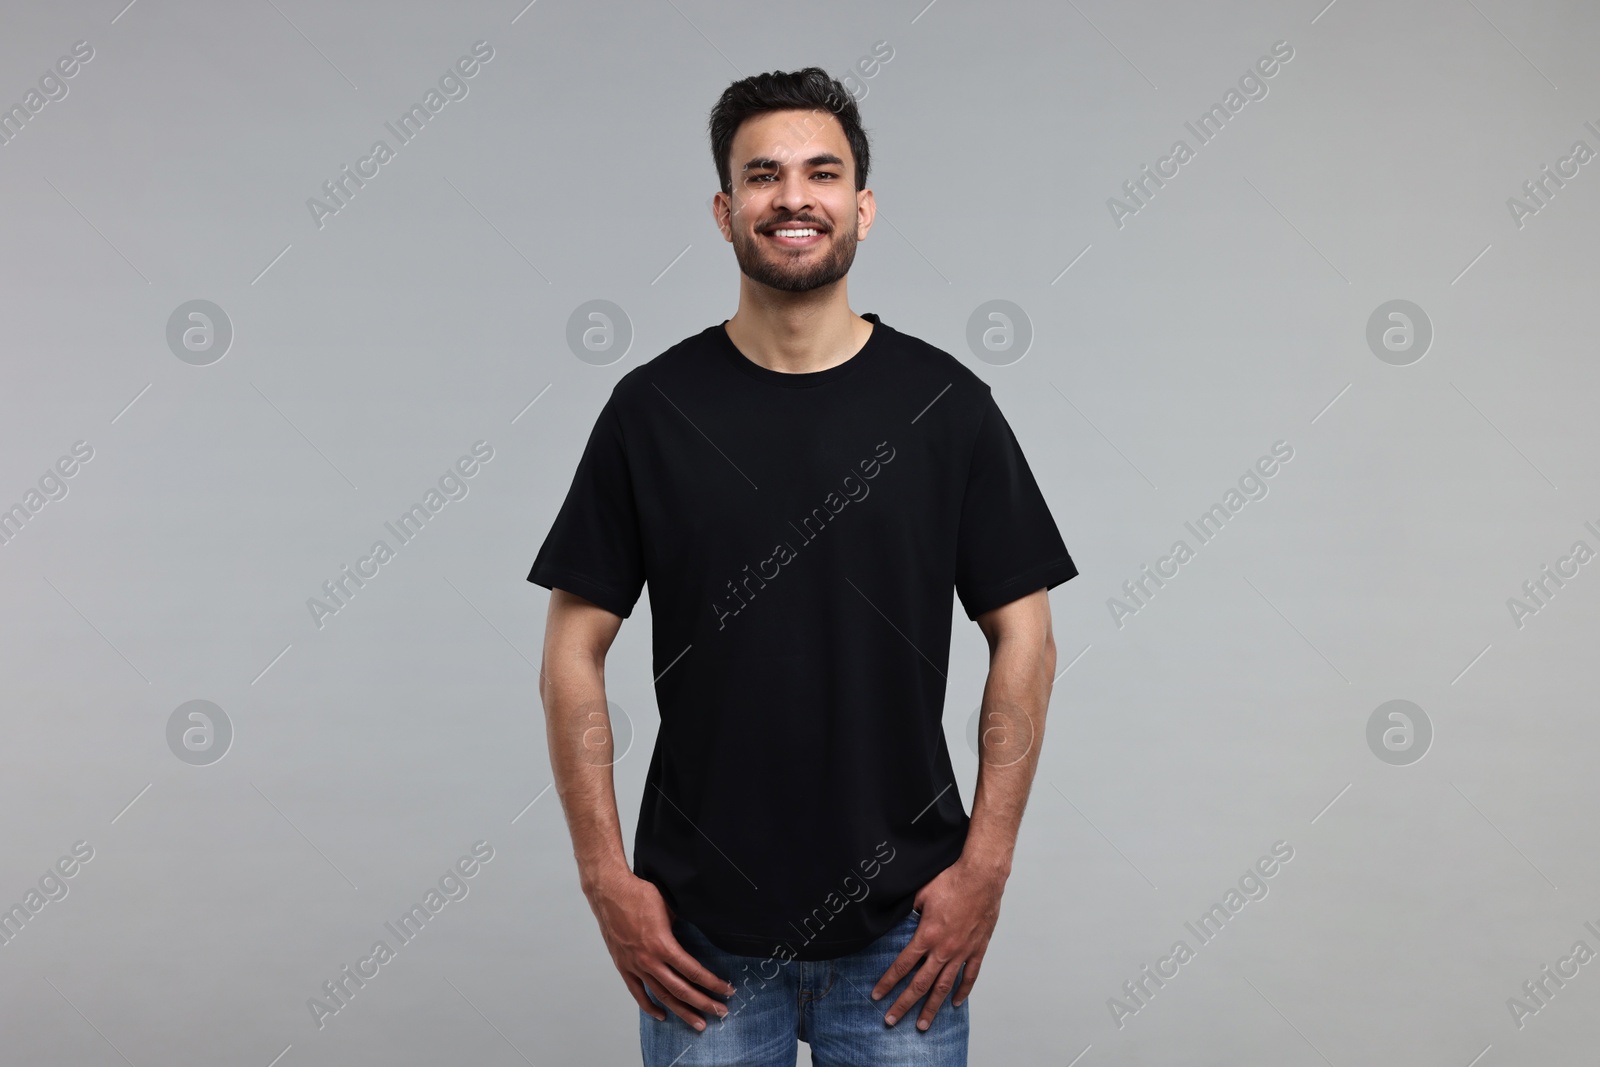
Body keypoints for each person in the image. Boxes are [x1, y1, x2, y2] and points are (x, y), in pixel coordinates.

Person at [528, 66, 1077, 1067]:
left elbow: (1026, 632)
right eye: (763, 174)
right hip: (699, 936)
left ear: (860, 205)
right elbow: (573, 647)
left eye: (820, 173)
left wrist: (985, 863)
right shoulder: (653, 412)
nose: (792, 196)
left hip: (905, 929)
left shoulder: (943, 408)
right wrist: (603, 875)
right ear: (724, 207)